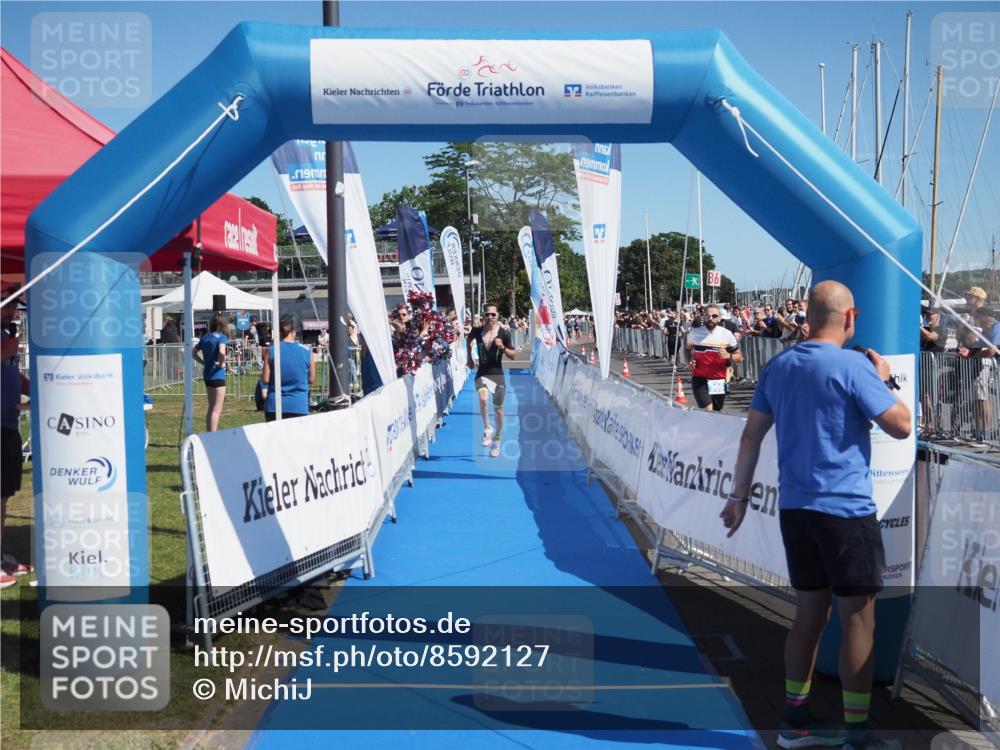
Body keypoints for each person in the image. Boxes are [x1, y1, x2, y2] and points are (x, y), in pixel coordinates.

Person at [721, 280, 912, 750]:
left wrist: (738, 497)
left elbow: (750, 437)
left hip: (796, 509)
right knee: (858, 622)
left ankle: (794, 723)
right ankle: (856, 736)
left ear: (807, 316)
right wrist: (885, 377)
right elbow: (902, 425)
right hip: (845, 511)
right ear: (851, 317)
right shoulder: (854, 366)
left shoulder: (779, 365)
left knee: (809, 615)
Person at [1, 289, 32, 588]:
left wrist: (37, 389)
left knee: (4, 496)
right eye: (8, 303)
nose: (13, 310)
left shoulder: (5, 336)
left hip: (8, 424)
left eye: (15, 304)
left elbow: (13, 375)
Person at [467, 302, 517, 458]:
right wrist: (469, 358)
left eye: (492, 314)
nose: (489, 317)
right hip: (482, 372)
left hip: (497, 374)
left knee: (498, 409)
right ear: (483, 316)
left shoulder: (503, 333)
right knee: (482, 399)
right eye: (487, 314)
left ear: (497, 316)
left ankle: (497, 439)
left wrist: (502, 347)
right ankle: (487, 428)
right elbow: (468, 340)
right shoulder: (477, 331)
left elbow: (513, 355)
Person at [684, 304, 743, 411]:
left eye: (714, 316)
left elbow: (740, 358)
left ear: (720, 318)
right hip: (700, 378)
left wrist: (729, 355)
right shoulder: (695, 333)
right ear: (703, 317)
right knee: (708, 411)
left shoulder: (727, 334)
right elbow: (687, 349)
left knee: (716, 412)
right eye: (707, 315)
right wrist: (689, 362)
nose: (710, 318)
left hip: (718, 380)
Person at [262, 320, 316, 421]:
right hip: (299, 405)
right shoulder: (307, 351)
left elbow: (265, 379)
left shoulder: (272, 350)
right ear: (294, 332)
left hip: (275, 405)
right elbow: (312, 379)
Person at [193, 313, 228, 432]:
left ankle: (209, 433)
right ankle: (213, 435)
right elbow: (222, 352)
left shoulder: (205, 337)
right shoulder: (222, 337)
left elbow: (194, 352)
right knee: (217, 409)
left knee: (211, 407)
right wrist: (221, 363)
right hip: (218, 374)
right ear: (221, 324)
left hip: (207, 374)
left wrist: (203, 362)